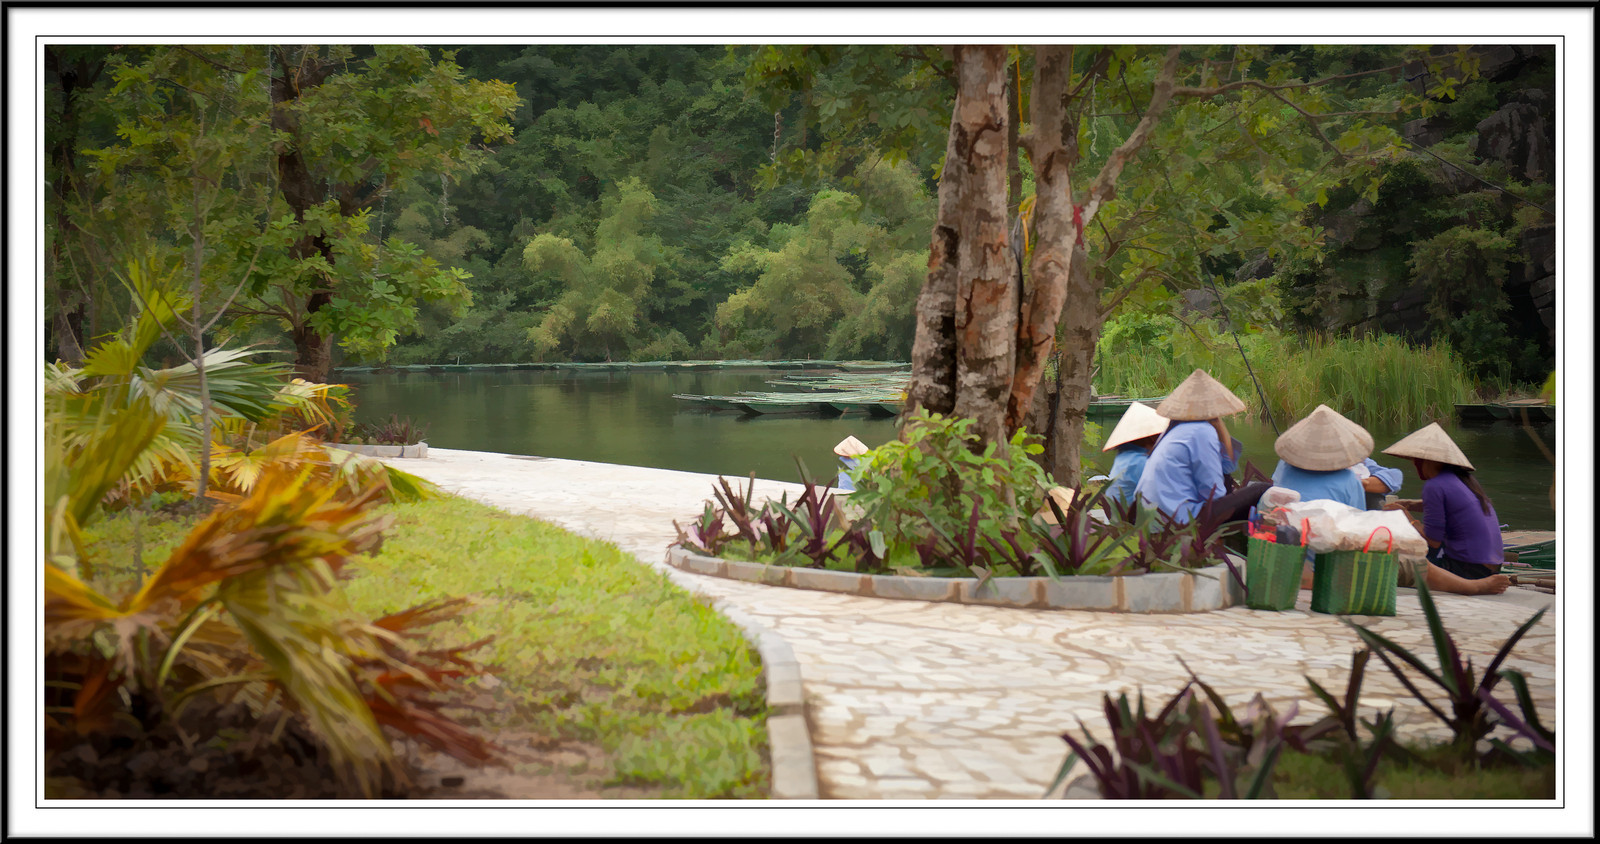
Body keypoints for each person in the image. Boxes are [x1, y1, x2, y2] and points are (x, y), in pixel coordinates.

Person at [1380, 423, 1512, 595]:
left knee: (1397, 556)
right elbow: (1451, 506)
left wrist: (1407, 518)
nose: (1414, 465)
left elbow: (1433, 541)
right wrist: (1411, 504)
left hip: (1466, 570)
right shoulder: (1464, 480)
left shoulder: (1434, 486)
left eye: (1416, 461)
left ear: (1426, 461)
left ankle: (1471, 586)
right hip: (1489, 567)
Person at [1134, 369, 1268, 525]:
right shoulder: (1201, 431)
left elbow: (1223, 473)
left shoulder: (1174, 430)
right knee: (1260, 489)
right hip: (1177, 519)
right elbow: (1214, 494)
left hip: (1152, 517)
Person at [1269, 405, 1369, 511]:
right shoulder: (1350, 480)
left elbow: (1276, 487)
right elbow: (1358, 516)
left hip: (1287, 522)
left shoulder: (1284, 465)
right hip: (1328, 526)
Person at [1100, 401, 1169, 507]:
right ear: (1151, 436)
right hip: (1132, 521)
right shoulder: (1138, 461)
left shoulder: (1126, 456)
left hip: (1119, 519)